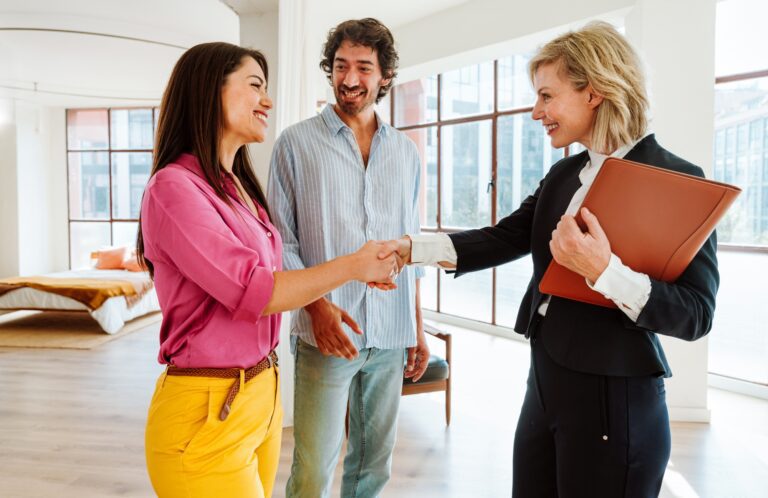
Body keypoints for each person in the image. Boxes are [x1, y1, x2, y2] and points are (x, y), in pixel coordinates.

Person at [390, 21, 719, 498]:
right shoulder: (564, 174)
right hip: (545, 382)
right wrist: (410, 249)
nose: (535, 111)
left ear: (595, 92)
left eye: (547, 96)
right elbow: (505, 237)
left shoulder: (679, 180)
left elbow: (696, 314)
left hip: (614, 398)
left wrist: (605, 272)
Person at [137, 42, 400, 498]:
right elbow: (256, 290)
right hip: (207, 408)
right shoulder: (173, 189)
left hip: (259, 393)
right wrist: (353, 266)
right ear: (208, 91)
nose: (268, 101)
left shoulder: (236, 187)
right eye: (255, 85)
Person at [268, 18, 429, 498]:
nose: (350, 79)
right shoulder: (294, 145)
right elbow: (282, 241)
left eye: (363, 67)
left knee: (373, 468)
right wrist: (315, 309)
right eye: (340, 66)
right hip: (325, 334)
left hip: (391, 331)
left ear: (384, 76)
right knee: (314, 469)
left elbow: (411, 246)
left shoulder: (405, 153)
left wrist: (417, 329)